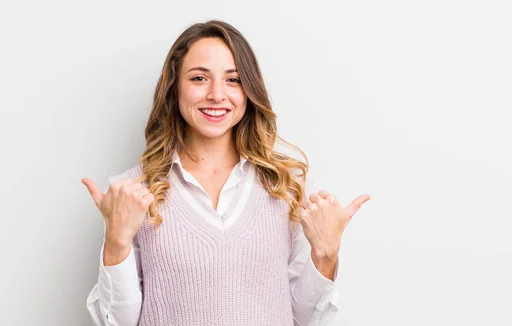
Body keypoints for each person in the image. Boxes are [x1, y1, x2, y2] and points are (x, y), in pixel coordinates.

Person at [81, 20, 370, 326]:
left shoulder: (287, 186)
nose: (217, 94)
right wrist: (117, 241)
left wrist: (325, 255)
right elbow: (120, 322)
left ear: (249, 90)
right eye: (199, 78)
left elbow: (302, 318)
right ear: (175, 86)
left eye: (233, 80)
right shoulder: (133, 192)